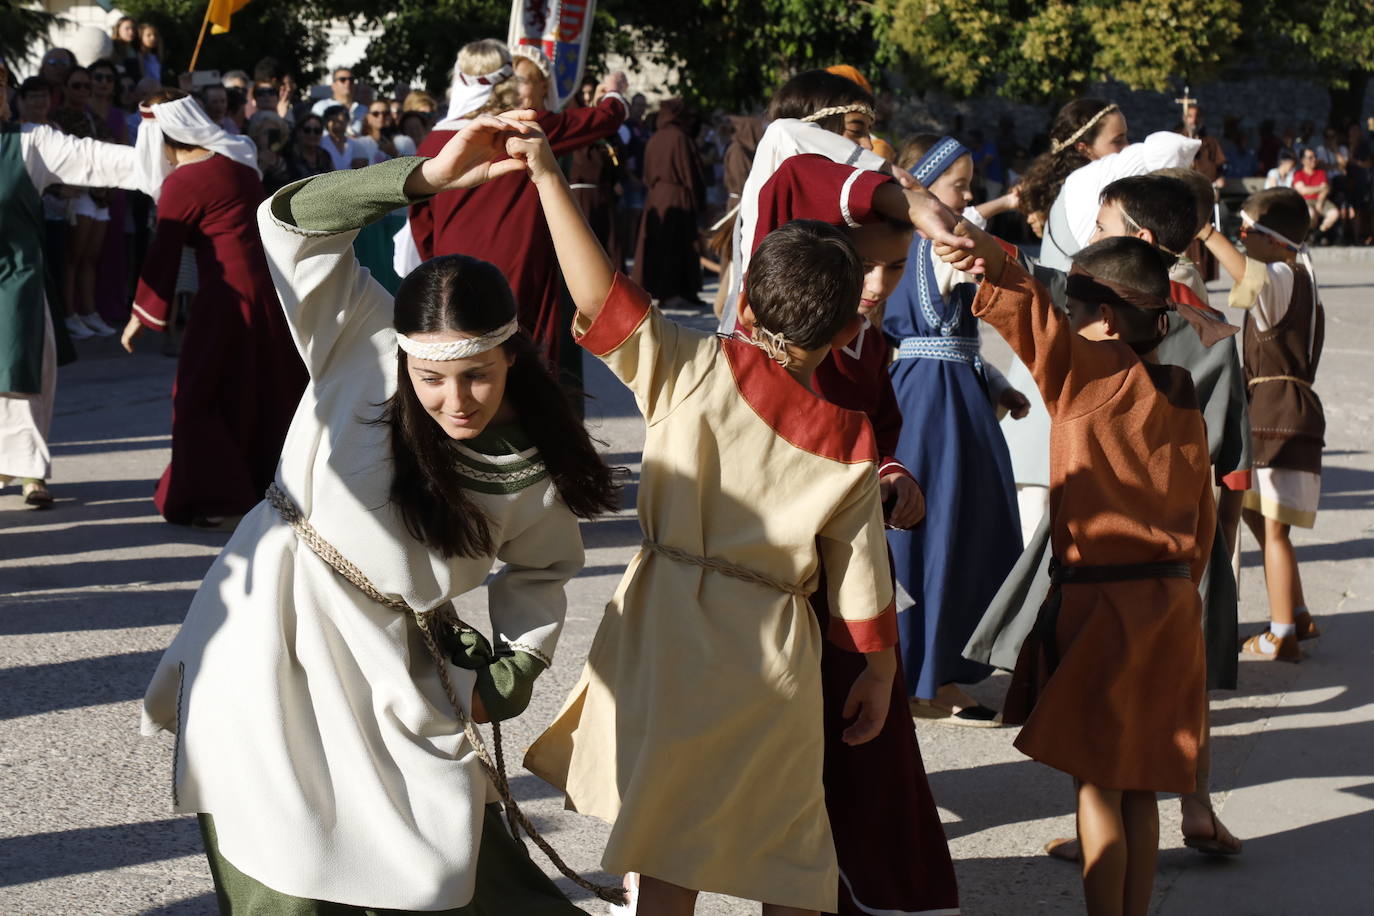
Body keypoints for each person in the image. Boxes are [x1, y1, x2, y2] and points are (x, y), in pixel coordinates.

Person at [140, 111, 619, 912]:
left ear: (509, 356)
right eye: (432, 379)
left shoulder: (531, 462)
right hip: (266, 630)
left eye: (477, 375)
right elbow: (286, 220)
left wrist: (512, 669)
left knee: (438, 858)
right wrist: (421, 178)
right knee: (278, 856)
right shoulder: (358, 332)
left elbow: (545, 567)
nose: (454, 398)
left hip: (392, 661)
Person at [520, 109, 970, 915]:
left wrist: (549, 175)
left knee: (666, 840)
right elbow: (862, 581)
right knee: (784, 846)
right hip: (773, 651)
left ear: (750, 308)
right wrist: (877, 668)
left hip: (666, 627)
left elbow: (599, 291)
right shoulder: (847, 436)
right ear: (845, 332)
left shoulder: (688, 367)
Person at [941, 225, 1213, 916]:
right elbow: (1203, 518)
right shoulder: (1182, 392)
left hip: (1104, 609)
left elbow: (1027, 305)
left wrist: (983, 248)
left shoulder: (1090, 373)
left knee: (1097, 786)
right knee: (1142, 786)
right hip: (1173, 604)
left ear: (1101, 318)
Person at [747, 152, 959, 916]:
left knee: (859, 741)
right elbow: (797, 173)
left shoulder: (871, 345)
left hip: (841, 577)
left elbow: (880, 432)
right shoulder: (760, 328)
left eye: (895, 271)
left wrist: (894, 476)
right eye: (862, 269)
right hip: (749, 581)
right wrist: (910, 200)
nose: (875, 289)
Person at [1025, 172, 1248, 864]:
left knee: (1097, 738)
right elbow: (1229, 464)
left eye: (1100, 226)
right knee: (1155, 733)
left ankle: (1107, 836)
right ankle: (1194, 809)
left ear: (1138, 242)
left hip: (1100, 558)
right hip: (1175, 563)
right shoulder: (1209, 334)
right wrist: (1213, 561)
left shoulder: (1095, 337)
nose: (1087, 239)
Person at [1002, 112, 1200, 543]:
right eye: (1120, 140)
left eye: (1131, 139)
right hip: (1059, 415)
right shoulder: (1086, 191)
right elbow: (1041, 287)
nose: (1128, 150)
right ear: (1083, 148)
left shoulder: (1183, 312)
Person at [118, 89, 308, 527]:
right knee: (258, 390)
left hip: (227, 300)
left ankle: (217, 498)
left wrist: (139, 317)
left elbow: (163, 254)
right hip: (270, 294)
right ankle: (266, 486)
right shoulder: (237, 161)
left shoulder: (184, 182)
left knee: (197, 396)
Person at [885, 135, 1026, 722]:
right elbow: (932, 340)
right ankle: (920, 672)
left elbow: (953, 340)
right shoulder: (934, 245)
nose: (969, 196)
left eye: (970, 184)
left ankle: (939, 668)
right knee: (933, 530)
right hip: (932, 407)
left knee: (963, 528)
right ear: (921, 184)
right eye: (958, 184)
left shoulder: (932, 243)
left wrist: (995, 384)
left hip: (954, 397)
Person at [402, 39, 628, 367]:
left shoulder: (433, 140)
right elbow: (604, 118)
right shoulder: (522, 130)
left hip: (453, 270)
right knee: (522, 361)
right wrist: (614, 92)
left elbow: (420, 222)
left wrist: (438, 267)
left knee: (465, 360)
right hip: (518, 265)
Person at [0, 53, 141, 508]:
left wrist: (162, 161)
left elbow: (93, 159)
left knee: (23, 375)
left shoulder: (29, 142)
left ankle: (30, 472)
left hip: (15, 282)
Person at [1199, 188, 1325, 662]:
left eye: (1248, 230)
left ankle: (1281, 633)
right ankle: (1297, 610)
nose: (1241, 237)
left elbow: (1242, 273)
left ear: (1275, 241)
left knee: (1274, 530)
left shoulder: (1280, 276)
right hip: (1285, 409)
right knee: (1257, 516)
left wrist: (1204, 230)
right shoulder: (1298, 275)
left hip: (1277, 410)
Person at [718, 69, 886, 336]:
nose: (866, 146)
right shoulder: (779, 147)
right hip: (773, 343)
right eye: (856, 130)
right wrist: (890, 173)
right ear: (813, 132)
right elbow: (783, 131)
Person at [51, 65, 119, 341]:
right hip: (76, 192)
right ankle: (70, 314)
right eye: (77, 85)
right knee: (73, 257)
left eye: (86, 86)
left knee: (90, 258)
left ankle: (89, 311)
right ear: (66, 88)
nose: (82, 91)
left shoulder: (93, 117)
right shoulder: (59, 118)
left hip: (99, 193)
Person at [631, 98, 707, 308]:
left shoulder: (654, 138)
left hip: (656, 197)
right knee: (678, 245)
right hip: (677, 196)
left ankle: (676, 291)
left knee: (662, 245)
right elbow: (690, 172)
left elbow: (646, 174)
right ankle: (675, 291)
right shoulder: (680, 138)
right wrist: (699, 200)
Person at [1294, 147, 1340, 237]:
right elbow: (1303, 191)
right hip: (1305, 201)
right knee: (1310, 214)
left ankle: (1319, 233)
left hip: (1320, 200)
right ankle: (1309, 234)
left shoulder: (1321, 173)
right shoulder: (1298, 174)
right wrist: (1320, 188)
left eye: (1315, 157)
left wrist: (1320, 202)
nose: (1314, 159)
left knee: (1334, 213)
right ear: (1303, 160)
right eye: (1310, 158)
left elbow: (1326, 189)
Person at [311, 67, 366, 132]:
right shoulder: (321, 107)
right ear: (333, 86)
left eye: (351, 80)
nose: (348, 83)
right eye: (342, 80)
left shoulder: (364, 110)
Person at [285, 113, 332, 180]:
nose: (312, 134)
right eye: (307, 130)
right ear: (298, 132)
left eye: (317, 131)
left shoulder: (325, 156)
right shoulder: (288, 156)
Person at [319, 103, 364, 170]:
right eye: (333, 120)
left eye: (341, 120)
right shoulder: (320, 143)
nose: (338, 124)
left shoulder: (355, 144)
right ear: (326, 122)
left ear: (347, 121)